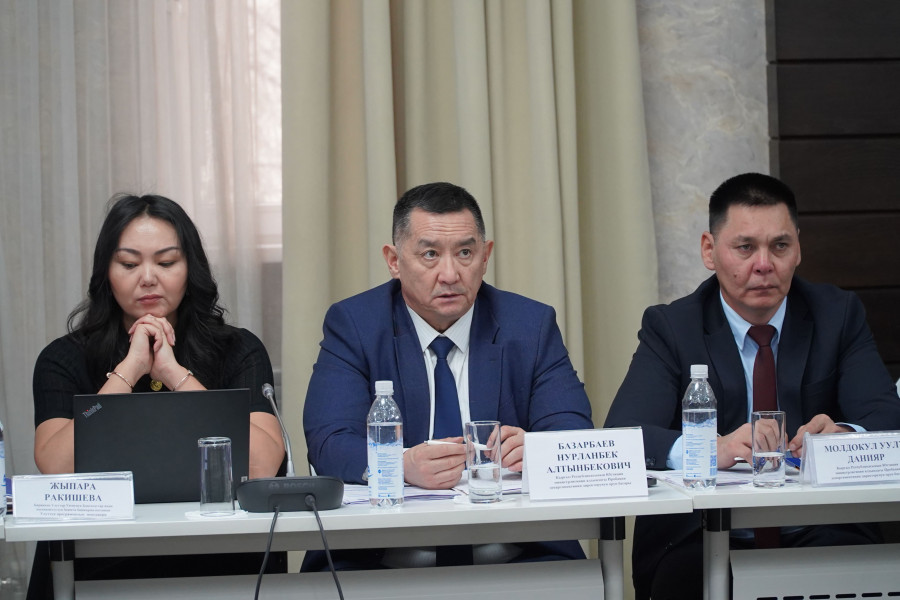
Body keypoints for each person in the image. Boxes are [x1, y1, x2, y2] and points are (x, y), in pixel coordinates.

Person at [604, 173, 900, 600]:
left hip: (818, 524)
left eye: (779, 246)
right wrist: (710, 449)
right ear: (710, 251)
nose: (764, 264)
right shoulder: (672, 327)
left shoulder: (838, 315)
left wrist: (844, 437)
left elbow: (886, 416)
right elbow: (624, 436)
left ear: (798, 248)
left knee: (860, 571)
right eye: (745, 247)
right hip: (701, 533)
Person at [303, 181, 594, 568]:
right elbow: (329, 443)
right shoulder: (356, 324)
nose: (450, 274)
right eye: (430, 254)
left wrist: (538, 450)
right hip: (380, 558)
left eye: (465, 253)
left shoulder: (530, 325)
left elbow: (573, 431)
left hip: (515, 553)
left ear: (485, 257)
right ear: (394, 260)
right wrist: (401, 465)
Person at [29, 194, 285, 593]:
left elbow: (262, 464)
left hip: (221, 556)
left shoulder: (238, 350)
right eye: (129, 264)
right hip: (98, 562)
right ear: (106, 272)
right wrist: (129, 371)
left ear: (190, 269)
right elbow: (56, 466)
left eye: (166, 262)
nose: (148, 278)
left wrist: (175, 374)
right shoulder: (64, 358)